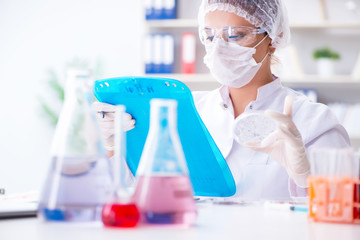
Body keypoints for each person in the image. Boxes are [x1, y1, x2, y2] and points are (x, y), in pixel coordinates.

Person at [93, 0, 350, 201]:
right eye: (210, 35)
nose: (219, 48)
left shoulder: (315, 121)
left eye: (236, 35)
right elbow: (134, 192)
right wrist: (114, 146)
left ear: (272, 37)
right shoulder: (187, 110)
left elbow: (344, 215)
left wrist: (307, 178)